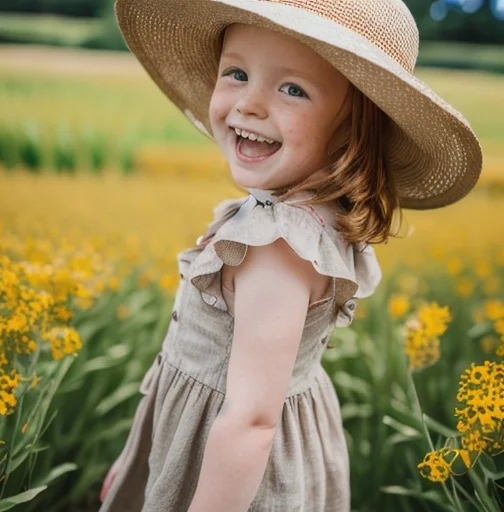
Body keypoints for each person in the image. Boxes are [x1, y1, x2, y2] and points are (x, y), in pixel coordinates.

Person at [99, 0, 482, 511]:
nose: (250, 104)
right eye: (236, 73)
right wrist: (139, 463)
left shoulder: (277, 248)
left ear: (350, 131)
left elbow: (251, 422)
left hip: (229, 477)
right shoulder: (306, 219)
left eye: (292, 89)